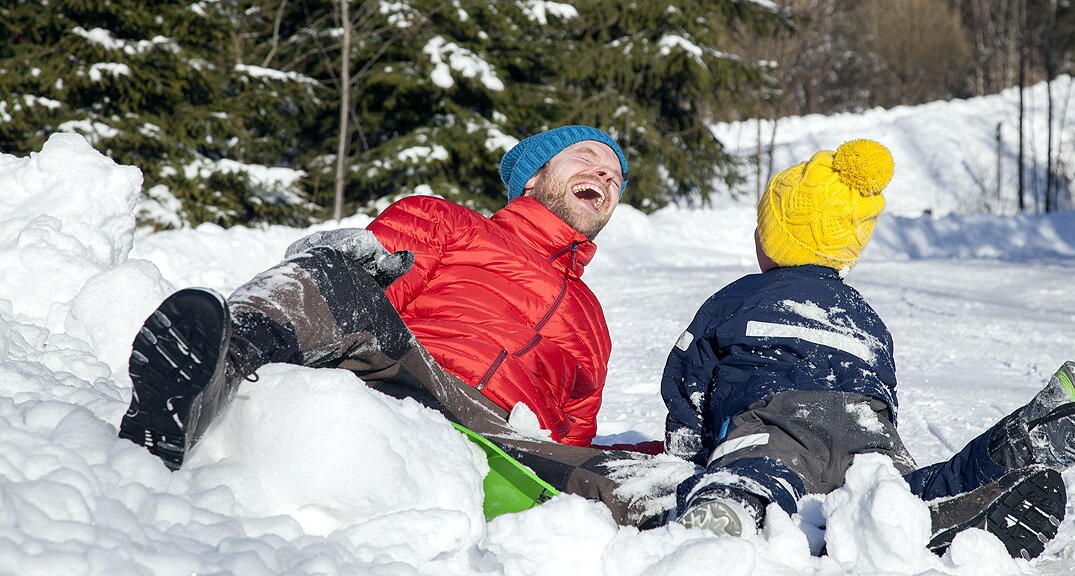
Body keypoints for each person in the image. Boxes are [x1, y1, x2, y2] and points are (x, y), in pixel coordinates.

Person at [119, 125, 674, 527]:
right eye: (586, 157)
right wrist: (349, 271)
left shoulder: (594, 322)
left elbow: (574, 434)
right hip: (410, 377)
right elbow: (368, 294)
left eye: (615, 176)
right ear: (533, 177)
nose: (605, 174)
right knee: (335, 270)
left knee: (661, 481)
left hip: (512, 439)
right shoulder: (445, 220)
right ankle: (205, 378)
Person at [660, 139, 1075, 558]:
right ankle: (1028, 438)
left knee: (759, 472)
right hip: (867, 428)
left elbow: (688, 378)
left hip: (777, 421)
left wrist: (689, 454)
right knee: (896, 496)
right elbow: (883, 392)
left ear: (772, 240)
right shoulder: (864, 315)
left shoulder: (738, 298)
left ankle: (732, 508)